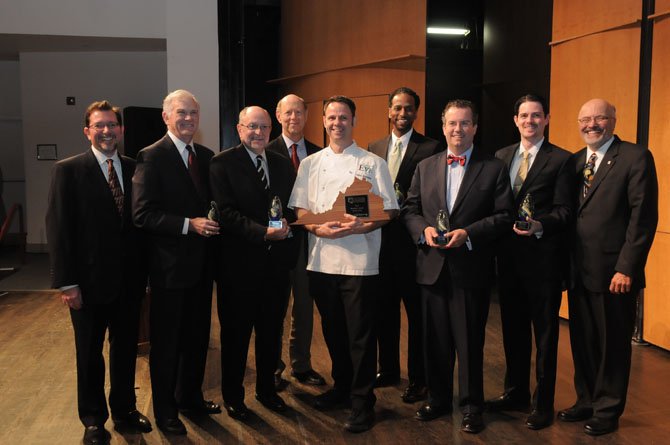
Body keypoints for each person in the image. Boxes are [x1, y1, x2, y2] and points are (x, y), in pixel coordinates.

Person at [402, 99, 514, 434]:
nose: (458, 130)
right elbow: (410, 209)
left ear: (475, 128)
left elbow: (504, 216)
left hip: (469, 268)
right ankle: (437, 400)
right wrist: (423, 229)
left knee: (469, 342)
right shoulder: (425, 167)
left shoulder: (492, 167)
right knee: (434, 340)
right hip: (432, 268)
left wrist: (469, 233)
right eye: (452, 124)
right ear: (443, 126)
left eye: (465, 124)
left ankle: (470, 405)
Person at [289, 96, 399, 433]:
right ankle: (341, 387)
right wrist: (314, 227)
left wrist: (364, 225)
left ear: (354, 120)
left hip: (360, 262)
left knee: (360, 335)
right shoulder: (311, 164)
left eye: (344, 117)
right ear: (322, 120)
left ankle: (363, 401)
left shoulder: (372, 163)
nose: (337, 123)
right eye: (332, 117)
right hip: (321, 260)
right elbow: (301, 209)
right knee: (333, 330)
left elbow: (390, 210)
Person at [46, 100, 151, 445]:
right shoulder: (69, 170)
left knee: (124, 352)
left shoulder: (135, 167)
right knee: (89, 354)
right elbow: (59, 230)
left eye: (112, 125)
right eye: (99, 125)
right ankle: (93, 419)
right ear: (87, 131)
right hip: (87, 285)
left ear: (120, 129)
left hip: (129, 283)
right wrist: (68, 283)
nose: (107, 131)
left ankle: (125, 410)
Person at [559, 98, 658, 436]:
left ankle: (608, 409)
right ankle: (586, 399)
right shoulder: (574, 162)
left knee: (613, 345)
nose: (592, 124)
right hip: (579, 270)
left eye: (599, 117)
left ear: (613, 120)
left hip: (615, 273)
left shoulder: (635, 157)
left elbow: (642, 219)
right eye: (585, 119)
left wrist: (627, 267)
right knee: (583, 341)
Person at [132, 90, 221, 436]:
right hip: (169, 270)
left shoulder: (206, 155)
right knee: (167, 344)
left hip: (202, 267)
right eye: (181, 113)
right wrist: (188, 224)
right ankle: (166, 410)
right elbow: (142, 214)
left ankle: (191, 399)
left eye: (193, 114)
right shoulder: (151, 156)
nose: (188, 119)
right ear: (166, 117)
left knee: (197, 340)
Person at [486, 94, 574, 430]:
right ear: (515, 119)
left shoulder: (562, 159)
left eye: (536, 116)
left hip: (543, 261)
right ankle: (516, 393)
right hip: (507, 260)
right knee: (513, 331)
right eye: (524, 115)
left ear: (547, 119)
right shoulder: (501, 156)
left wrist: (540, 225)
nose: (530, 121)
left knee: (546, 335)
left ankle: (543, 403)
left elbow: (566, 211)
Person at [210, 106, 299, 420]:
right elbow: (226, 214)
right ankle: (234, 397)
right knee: (235, 336)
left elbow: (291, 206)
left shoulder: (282, 164)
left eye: (264, 127)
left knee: (270, 333)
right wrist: (265, 234)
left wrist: (288, 224)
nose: (259, 133)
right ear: (239, 129)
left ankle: (266, 391)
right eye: (252, 127)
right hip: (238, 268)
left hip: (276, 267)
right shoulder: (221, 164)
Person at [368, 87, 443, 402]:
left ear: (416, 112)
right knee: (384, 311)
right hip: (381, 245)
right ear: (388, 110)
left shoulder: (431, 148)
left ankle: (419, 379)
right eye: (397, 108)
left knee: (417, 317)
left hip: (415, 246)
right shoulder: (374, 147)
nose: (402, 114)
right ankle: (387, 369)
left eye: (409, 109)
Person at [266, 94, 325, 390]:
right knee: (275, 307)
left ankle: (301, 365)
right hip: (275, 243)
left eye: (299, 112)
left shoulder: (320, 154)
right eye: (288, 112)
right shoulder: (264, 150)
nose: (293, 118)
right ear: (278, 115)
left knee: (304, 306)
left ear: (306, 115)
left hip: (308, 242)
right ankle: (272, 367)